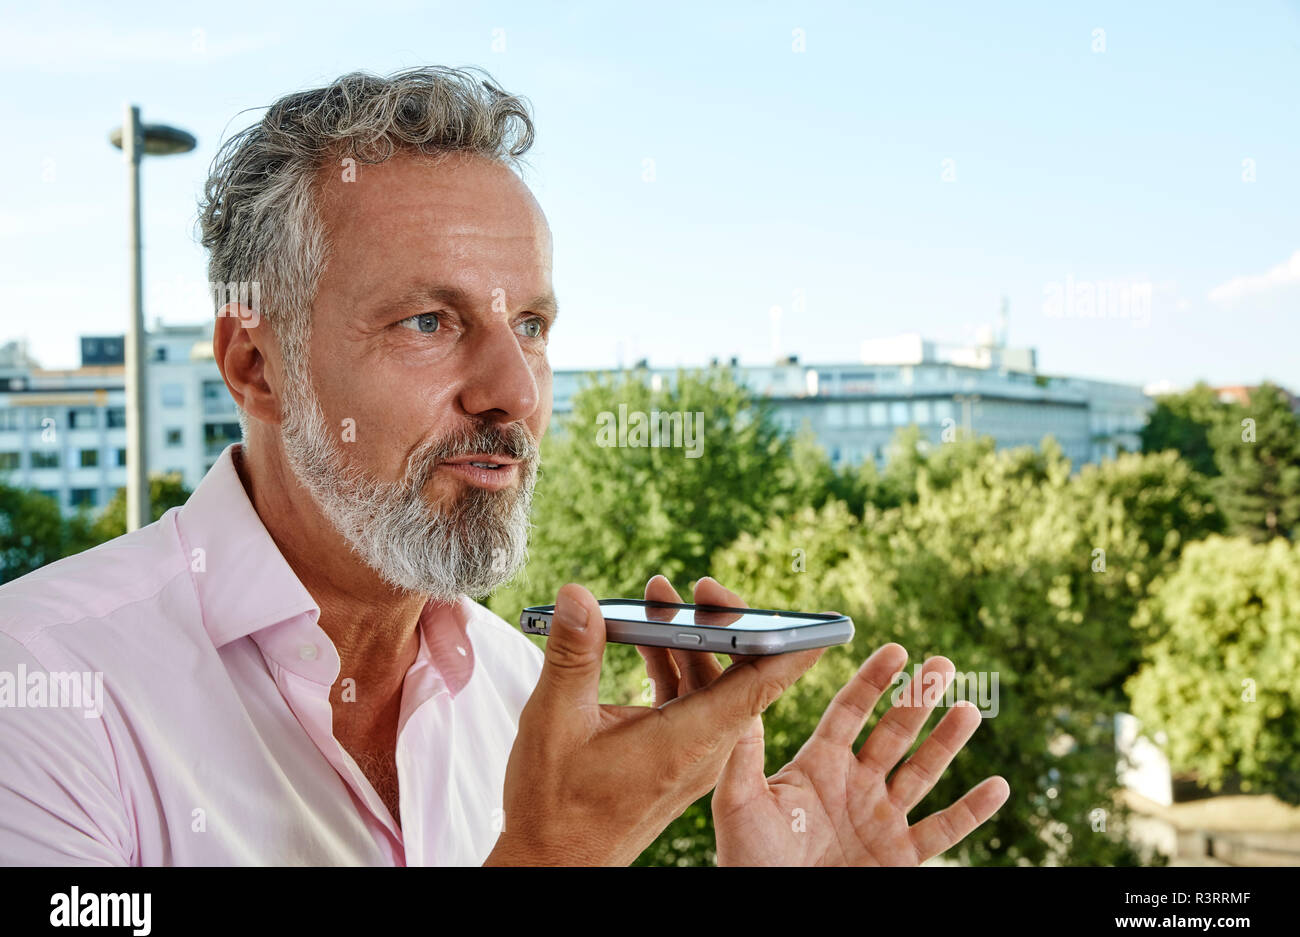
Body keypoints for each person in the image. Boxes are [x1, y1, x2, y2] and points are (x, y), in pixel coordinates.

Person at [0, 66, 1008, 866]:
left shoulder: (521, 696)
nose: (512, 389)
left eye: (530, 323)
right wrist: (556, 855)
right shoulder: (37, 686)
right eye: (430, 321)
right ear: (256, 364)